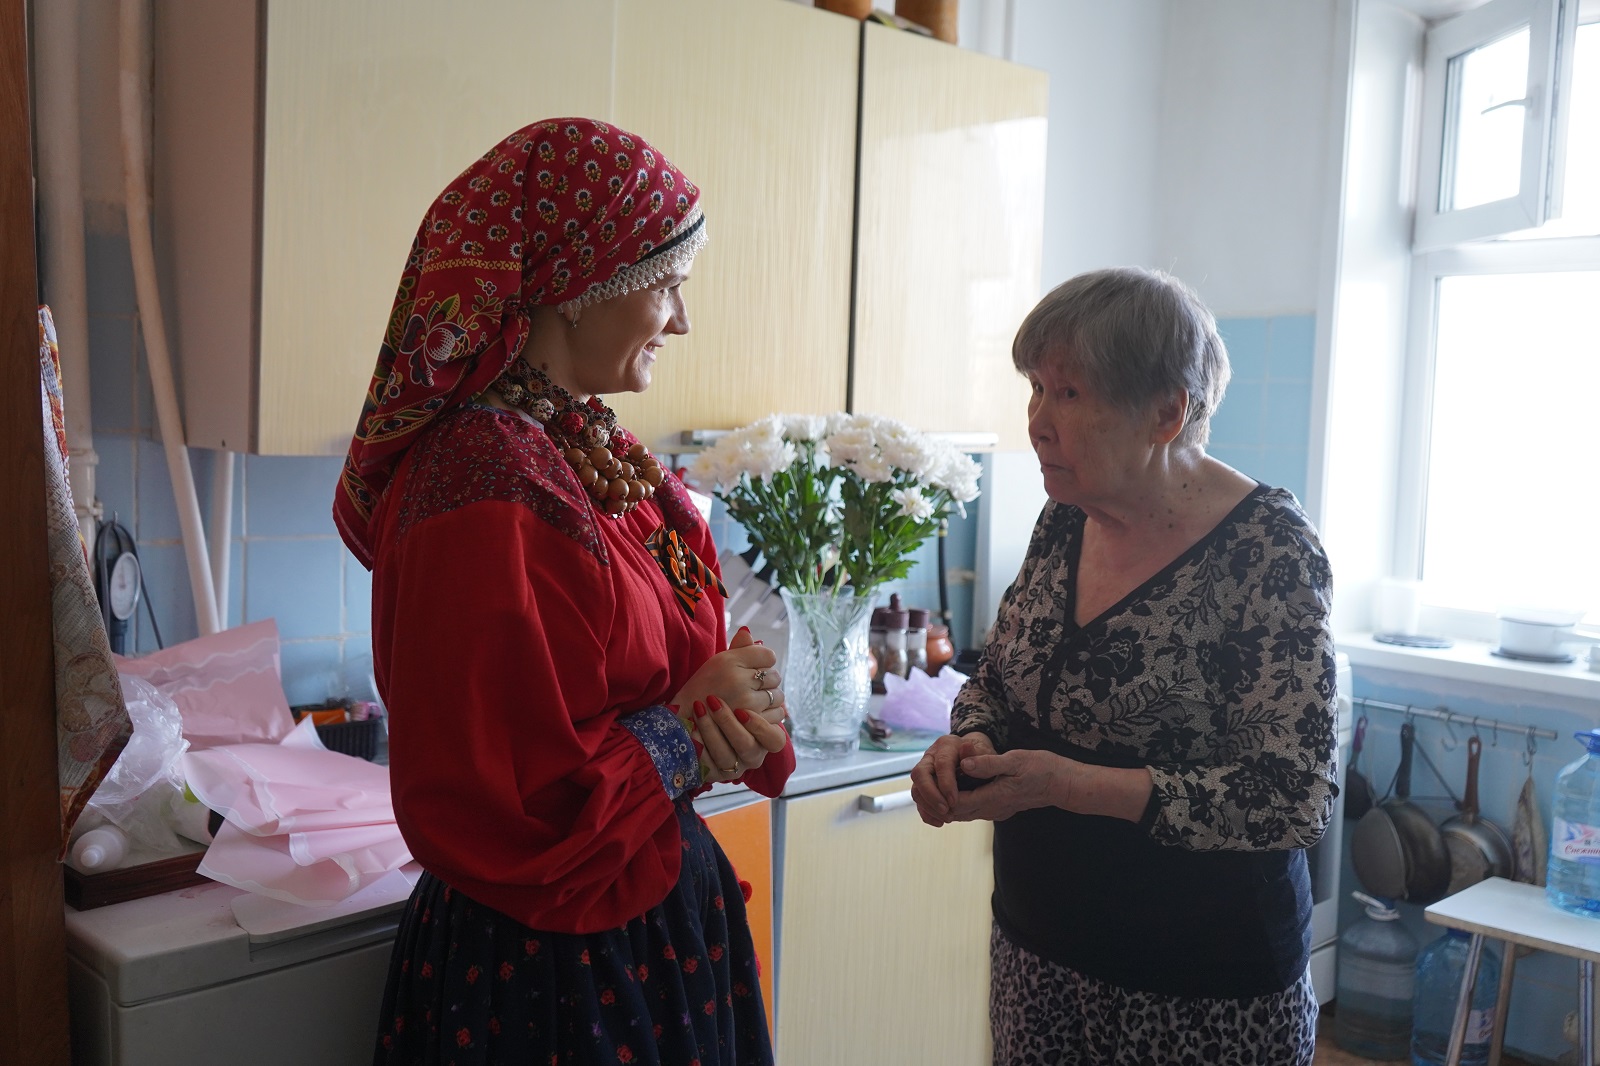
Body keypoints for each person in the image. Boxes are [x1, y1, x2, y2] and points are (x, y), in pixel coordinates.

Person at [334, 118, 794, 1066]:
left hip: (640, 919)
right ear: (580, 285)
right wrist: (689, 726)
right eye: (666, 284)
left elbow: (667, 675)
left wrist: (730, 708)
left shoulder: (581, 444)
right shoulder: (483, 479)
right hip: (554, 967)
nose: (681, 320)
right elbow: (516, 806)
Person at [910, 267, 1337, 1065]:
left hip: (1202, 991)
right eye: (1036, 389)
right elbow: (997, 678)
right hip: (1038, 957)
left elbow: (1292, 797)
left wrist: (1066, 785)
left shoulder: (1267, 549)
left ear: (1167, 412)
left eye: (1070, 394)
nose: (1038, 423)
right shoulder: (1064, 518)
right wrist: (969, 739)